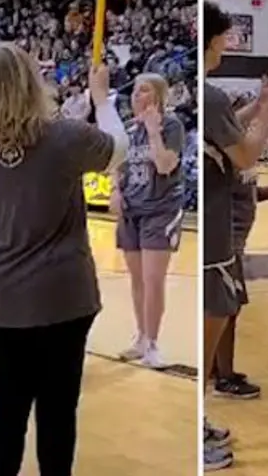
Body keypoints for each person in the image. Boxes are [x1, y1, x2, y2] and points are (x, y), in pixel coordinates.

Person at [0, 43, 128, 476]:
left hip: (0, 295)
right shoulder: (64, 136)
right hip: (62, 295)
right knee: (58, 413)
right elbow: (120, 148)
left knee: (5, 411)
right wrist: (101, 99)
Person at [200, 1, 268, 472]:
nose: (228, 44)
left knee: (218, 313)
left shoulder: (204, 96)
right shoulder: (210, 95)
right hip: (216, 227)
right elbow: (246, 154)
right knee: (215, 316)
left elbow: (227, 125)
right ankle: (195, 428)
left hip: (209, 224)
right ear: (214, 39)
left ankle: (201, 416)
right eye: (226, 36)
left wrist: (258, 103)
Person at [211, 108, 268, 398]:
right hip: (227, 244)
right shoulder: (229, 161)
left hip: (236, 242)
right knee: (228, 310)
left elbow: (251, 194)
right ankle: (225, 377)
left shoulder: (244, 165)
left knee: (225, 309)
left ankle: (216, 366)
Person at [112, 73, 187, 370]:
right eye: (134, 91)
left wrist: (154, 131)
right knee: (137, 279)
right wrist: (115, 190)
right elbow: (117, 165)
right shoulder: (128, 129)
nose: (136, 96)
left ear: (158, 96)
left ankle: (154, 344)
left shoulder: (172, 126)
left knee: (154, 280)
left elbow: (165, 164)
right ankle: (141, 337)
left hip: (161, 210)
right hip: (132, 210)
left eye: (143, 91)